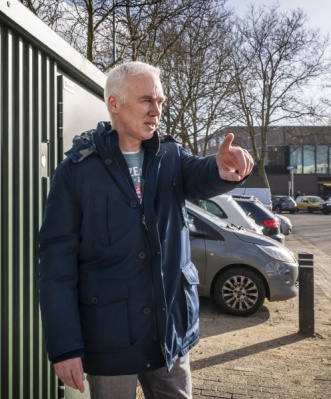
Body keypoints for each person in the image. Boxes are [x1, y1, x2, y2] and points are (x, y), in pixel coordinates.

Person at [38, 61, 254, 399]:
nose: (157, 111)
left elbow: (201, 174)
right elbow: (56, 264)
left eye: (160, 102)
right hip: (109, 339)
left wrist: (223, 168)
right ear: (115, 104)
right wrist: (64, 347)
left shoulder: (170, 155)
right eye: (146, 101)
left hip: (169, 334)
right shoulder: (77, 171)